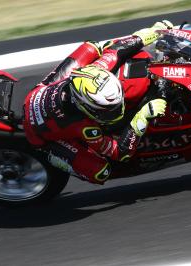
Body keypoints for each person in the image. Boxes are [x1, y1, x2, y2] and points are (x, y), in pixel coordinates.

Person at [23, 20, 174, 184]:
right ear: (85, 107)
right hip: (39, 134)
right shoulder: (85, 128)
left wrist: (155, 31)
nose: (118, 110)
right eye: (109, 109)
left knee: (93, 47)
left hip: (40, 91)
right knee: (100, 172)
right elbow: (120, 152)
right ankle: (51, 156)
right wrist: (142, 117)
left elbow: (119, 48)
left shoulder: (97, 69)